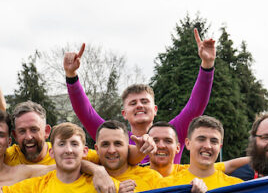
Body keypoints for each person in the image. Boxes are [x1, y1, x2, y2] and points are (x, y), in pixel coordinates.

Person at [64, 32, 216, 151]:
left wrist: (207, 64)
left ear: (155, 109)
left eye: (144, 101)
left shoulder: (172, 133)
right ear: (124, 113)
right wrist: (71, 76)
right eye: (133, 103)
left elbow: (195, 106)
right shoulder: (113, 138)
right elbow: (86, 113)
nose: (139, 106)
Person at [0, 123, 121, 193]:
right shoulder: (36, 187)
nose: (68, 150)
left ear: (84, 151)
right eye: (61, 144)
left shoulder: (103, 184)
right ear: (52, 152)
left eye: (74, 144)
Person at [161, 116, 243, 193]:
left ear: (220, 147)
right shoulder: (167, 186)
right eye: (201, 139)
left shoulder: (236, 188)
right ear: (188, 143)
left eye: (214, 141)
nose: (207, 146)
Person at [94, 120, 166, 193]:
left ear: (128, 147)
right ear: (96, 149)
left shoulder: (152, 178)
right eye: (105, 144)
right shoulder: (85, 179)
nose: (111, 150)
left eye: (118, 144)